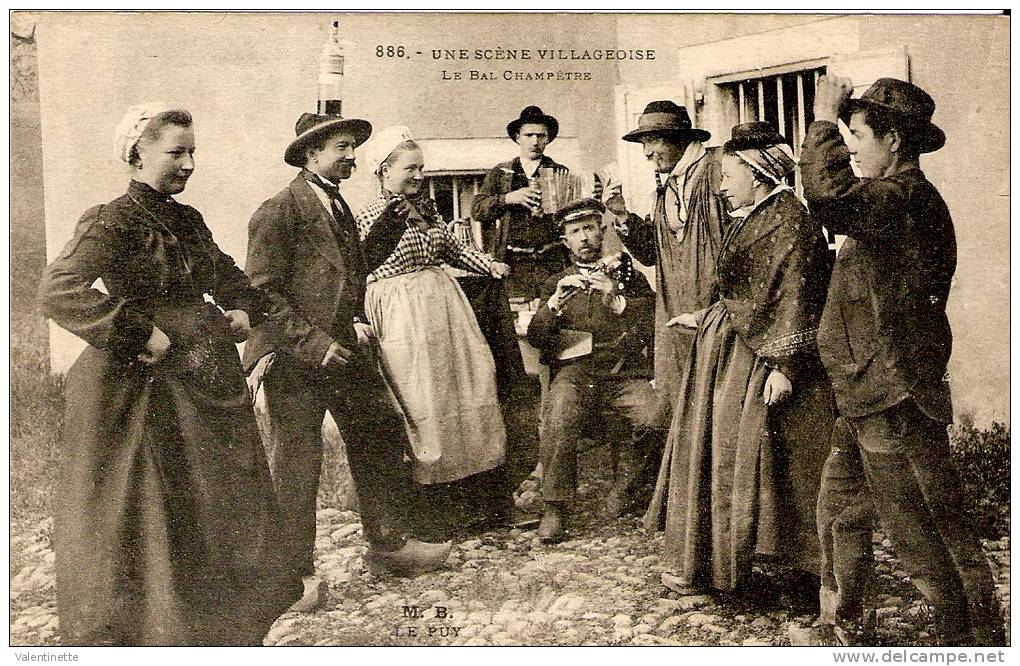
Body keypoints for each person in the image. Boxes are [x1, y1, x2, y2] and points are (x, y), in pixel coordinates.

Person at [38, 104, 300, 645]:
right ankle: (158, 628)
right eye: (176, 153)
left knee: (217, 497)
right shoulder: (110, 219)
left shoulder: (187, 219)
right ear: (137, 155)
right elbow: (57, 290)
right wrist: (139, 332)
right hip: (144, 382)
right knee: (155, 500)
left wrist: (243, 311)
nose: (189, 164)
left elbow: (229, 278)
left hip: (205, 376)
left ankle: (218, 623)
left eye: (192, 152)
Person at [796, 76, 1004, 646]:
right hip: (861, 388)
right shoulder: (885, 201)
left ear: (893, 141)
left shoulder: (904, 198)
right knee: (840, 511)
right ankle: (842, 623)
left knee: (927, 525)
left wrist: (820, 122)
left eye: (857, 134)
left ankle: (976, 636)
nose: (852, 146)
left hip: (895, 394)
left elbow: (830, 198)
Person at [244, 113, 451, 605]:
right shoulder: (278, 211)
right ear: (311, 154)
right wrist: (314, 344)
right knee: (298, 464)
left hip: (342, 352)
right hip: (296, 359)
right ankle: (294, 578)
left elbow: (352, 269)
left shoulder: (335, 204)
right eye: (342, 147)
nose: (351, 156)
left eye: (353, 148)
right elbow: (262, 294)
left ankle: (389, 547)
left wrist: (394, 219)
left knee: (378, 437)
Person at [644, 123, 835, 597]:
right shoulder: (754, 216)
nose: (722, 185)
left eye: (729, 175)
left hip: (763, 358)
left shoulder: (791, 222)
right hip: (731, 348)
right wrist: (703, 314)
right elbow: (741, 289)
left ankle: (788, 571)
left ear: (758, 173)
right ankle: (713, 564)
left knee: (752, 457)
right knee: (719, 452)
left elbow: (797, 296)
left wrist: (784, 368)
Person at [354, 126, 511, 541]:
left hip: (445, 309)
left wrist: (488, 264)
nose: (418, 176)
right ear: (384, 171)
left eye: (421, 168)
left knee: (468, 392)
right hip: (402, 314)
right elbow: (357, 269)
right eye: (410, 168)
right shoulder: (369, 217)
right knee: (422, 403)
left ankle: (476, 500)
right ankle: (430, 511)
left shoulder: (429, 211)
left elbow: (452, 250)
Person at [526, 198, 660, 542]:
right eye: (575, 231)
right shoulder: (556, 281)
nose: (584, 237)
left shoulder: (625, 275)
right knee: (557, 413)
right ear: (565, 240)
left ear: (602, 232)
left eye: (589, 228)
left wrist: (617, 300)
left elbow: (652, 323)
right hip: (576, 374)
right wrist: (555, 302)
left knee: (654, 414)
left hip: (622, 372)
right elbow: (538, 338)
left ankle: (626, 488)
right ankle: (555, 507)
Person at [605, 100, 728, 428]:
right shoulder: (667, 187)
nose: (646, 152)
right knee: (682, 410)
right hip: (677, 318)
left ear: (678, 139)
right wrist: (620, 214)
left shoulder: (717, 171)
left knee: (720, 407)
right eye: (643, 142)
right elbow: (651, 253)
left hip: (718, 312)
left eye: (652, 141)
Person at [471, 105, 571, 300]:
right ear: (518, 137)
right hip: (512, 264)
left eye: (541, 136)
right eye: (529, 135)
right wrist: (508, 198)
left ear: (548, 139)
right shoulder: (501, 173)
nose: (535, 141)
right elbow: (477, 209)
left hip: (550, 263)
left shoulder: (561, 172)